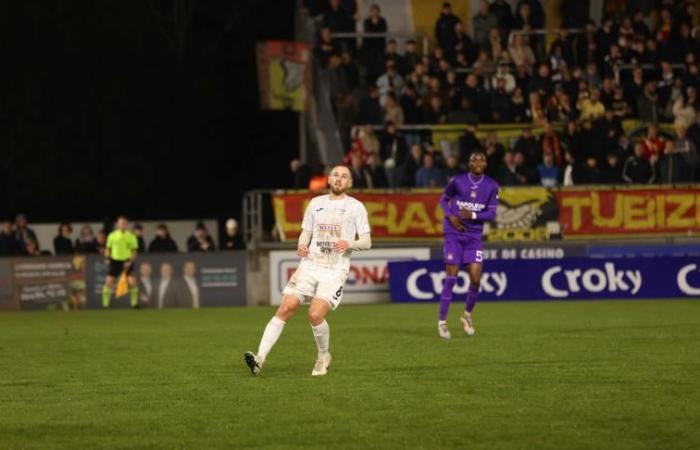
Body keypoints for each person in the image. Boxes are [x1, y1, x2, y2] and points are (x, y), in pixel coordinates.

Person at [244, 164, 372, 377]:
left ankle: (323, 355)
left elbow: (367, 241)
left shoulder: (356, 207)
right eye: (336, 175)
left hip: (335, 268)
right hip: (311, 264)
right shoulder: (315, 204)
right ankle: (259, 358)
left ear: (349, 183)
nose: (339, 179)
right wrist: (302, 244)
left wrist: (350, 243)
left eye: (344, 176)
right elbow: (306, 233)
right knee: (286, 307)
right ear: (329, 180)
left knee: (314, 314)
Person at [437, 151, 499, 339]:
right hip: (453, 234)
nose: (478, 162)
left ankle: (466, 316)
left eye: (482, 160)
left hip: (474, 237)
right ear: (469, 163)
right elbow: (443, 200)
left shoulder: (492, 185)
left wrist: (472, 215)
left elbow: (491, 214)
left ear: (486, 164)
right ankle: (442, 323)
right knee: (452, 277)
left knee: (475, 279)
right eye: (475, 159)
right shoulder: (457, 181)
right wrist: (452, 217)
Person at [102, 216, 139, 309]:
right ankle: (105, 305)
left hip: (126, 261)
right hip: (115, 261)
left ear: (126, 225)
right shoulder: (112, 235)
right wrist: (107, 258)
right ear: (117, 224)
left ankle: (134, 304)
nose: (122, 225)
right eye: (120, 223)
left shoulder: (131, 236)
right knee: (108, 282)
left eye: (124, 223)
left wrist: (130, 261)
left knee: (132, 282)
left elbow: (134, 251)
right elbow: (107, 249)